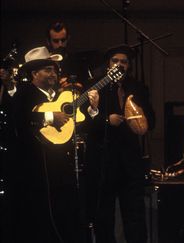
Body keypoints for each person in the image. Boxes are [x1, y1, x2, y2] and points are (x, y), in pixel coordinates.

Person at [11, 46, 99, 243]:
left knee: (66, 211)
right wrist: (50, 117)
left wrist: (93, 109)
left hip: (61, 165)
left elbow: (81, 125)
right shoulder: (24, 94)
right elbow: (19, 118)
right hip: (35, 167)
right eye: (48, 70)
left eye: (54, 69)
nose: (54, 73)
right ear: (34, 73)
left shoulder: (61, 97)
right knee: (40, 215)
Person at [86, 44, 155, 243]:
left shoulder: (137, 87)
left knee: (134, 214)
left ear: (129, 65)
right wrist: (107, 119)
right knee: (104, 216)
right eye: (115, 61)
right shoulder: (96, 84)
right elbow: (85, 120)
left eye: (123, 62)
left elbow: (151, 120)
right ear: (108, 64)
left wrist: (136, 112)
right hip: (104, 159)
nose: (119, 65)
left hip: (130, 159)